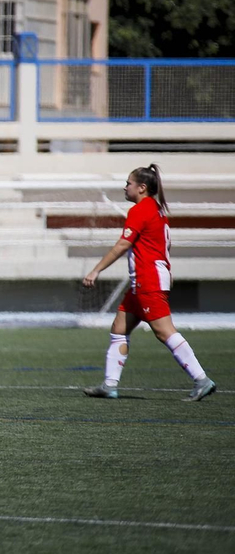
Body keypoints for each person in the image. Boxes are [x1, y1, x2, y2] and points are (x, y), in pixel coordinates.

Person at [81, 164, 216, 402]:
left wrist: (96, 270)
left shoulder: (141, 210)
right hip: (144, 282)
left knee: (164, 332)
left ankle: (201, 379)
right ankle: (109, 385)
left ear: (142, 188)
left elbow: (123, 244)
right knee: (119, 329)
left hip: (147, 280)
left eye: (128, 183)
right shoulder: (156, 209)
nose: (125, 187)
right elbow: (162, 246)